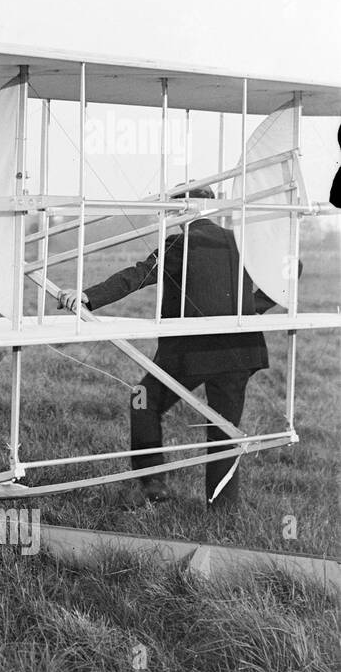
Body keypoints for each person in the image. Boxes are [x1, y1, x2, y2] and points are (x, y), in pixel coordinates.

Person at [57, 183, 289, 513]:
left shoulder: (180, 242)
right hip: (241, 349)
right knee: (224, 428)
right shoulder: (242, 241)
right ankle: (222, 512)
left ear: (184, 209)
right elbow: (292, 269)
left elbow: (138, 275)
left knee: (142, 400)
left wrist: (88, 296)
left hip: (192, 352)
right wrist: (251, 309)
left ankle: (152, 483)